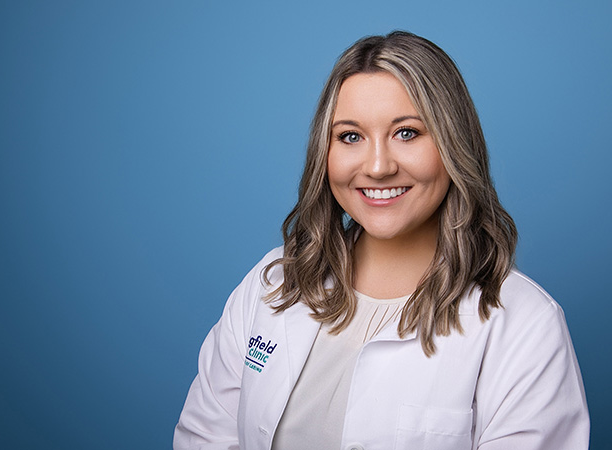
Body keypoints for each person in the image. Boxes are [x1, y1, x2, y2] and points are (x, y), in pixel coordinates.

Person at [174, 31, 589, 450]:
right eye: (351, 136)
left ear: (452, 144)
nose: (377, 167)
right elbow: (204, 438)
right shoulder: (271, 286)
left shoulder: (524, 324)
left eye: (406, 133)